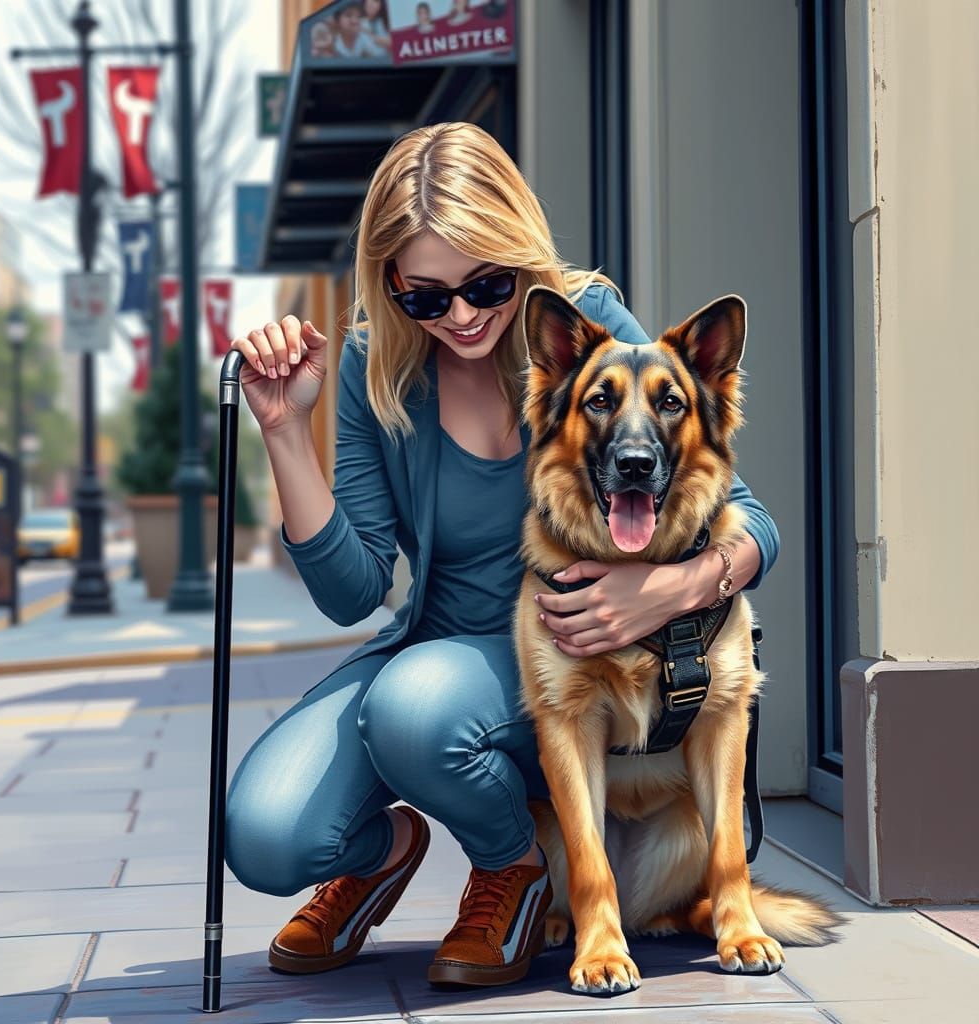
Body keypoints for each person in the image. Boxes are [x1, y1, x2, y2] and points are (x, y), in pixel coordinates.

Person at [223, 121, 781, 988]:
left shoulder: (583, 321)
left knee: (415, 707)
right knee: (266, 835)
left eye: (486, 284)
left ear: (517, 254)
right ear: (392, 284)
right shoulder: (379, 369)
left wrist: (669, 590)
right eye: (427, 296)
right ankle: (384, 853)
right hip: (441, 661)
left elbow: (753, 523)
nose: (465, 316)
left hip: (573, 660)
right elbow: (353, 589)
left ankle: (508, 868)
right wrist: (286, 431)